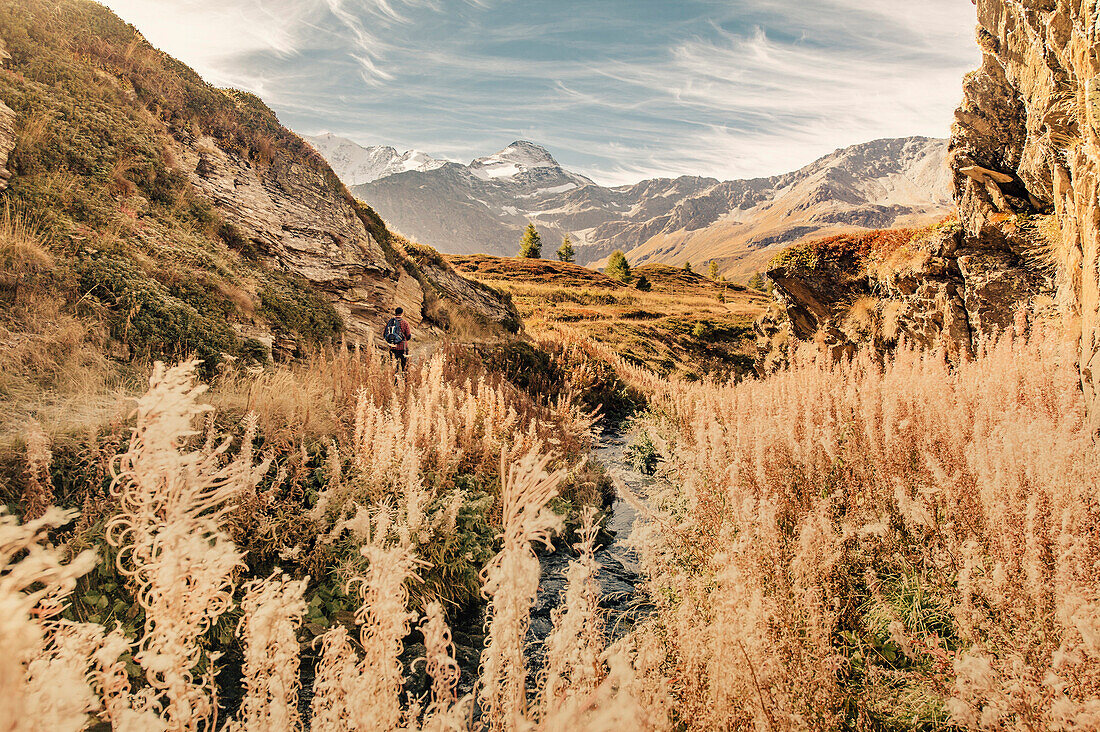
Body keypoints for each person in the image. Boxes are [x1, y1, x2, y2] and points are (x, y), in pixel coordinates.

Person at [383, 306, 412, 371]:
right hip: (402, 347)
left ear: (395, 313)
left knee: (394, 366)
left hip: (392, 346)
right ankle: (404, 379)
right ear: (402, 313)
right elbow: (408, 335)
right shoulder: (405, 323)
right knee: (404, 366)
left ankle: (394, 380)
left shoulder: (390, 322)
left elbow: (384, 334)